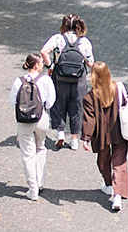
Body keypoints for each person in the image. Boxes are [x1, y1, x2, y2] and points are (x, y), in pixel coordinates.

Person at [81, 62, 128, 212]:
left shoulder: (90, 97)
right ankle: (118, 194)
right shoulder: (118, 88)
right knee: (119, 162)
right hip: (119, 131)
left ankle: (109, 184)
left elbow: (90, 120)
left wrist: (86, 138)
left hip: (101, 135)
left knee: (103, 160)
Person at [40, 14, 95, 149]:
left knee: (59, 104)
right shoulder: (84, 41)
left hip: (60, 77)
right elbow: (90, 62)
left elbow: (44, 52)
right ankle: (75, 139)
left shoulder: (58, 38)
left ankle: (60, 133)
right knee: (77, 107)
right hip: (78, 80)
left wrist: (50, 66)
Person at [9, 53, 56, 201]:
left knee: (28, 154)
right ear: (36, 65)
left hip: (24, 121)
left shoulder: (18, 81)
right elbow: (51, 101)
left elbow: (13, 101)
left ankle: (32, 188)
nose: (43, 65)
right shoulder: (46, 80)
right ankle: (40, 181)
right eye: (41, 63)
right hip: (41, 118)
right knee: (41, 148)